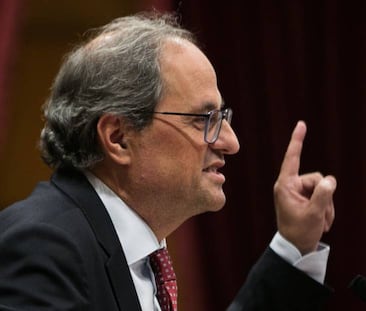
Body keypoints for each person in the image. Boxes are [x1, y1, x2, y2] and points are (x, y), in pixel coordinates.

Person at [0, 13, 337, 311]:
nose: (231, 142)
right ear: (118, 138)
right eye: (203, 118)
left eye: (222, 116)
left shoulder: (128, 248)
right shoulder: (44, 247)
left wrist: (294, 246)